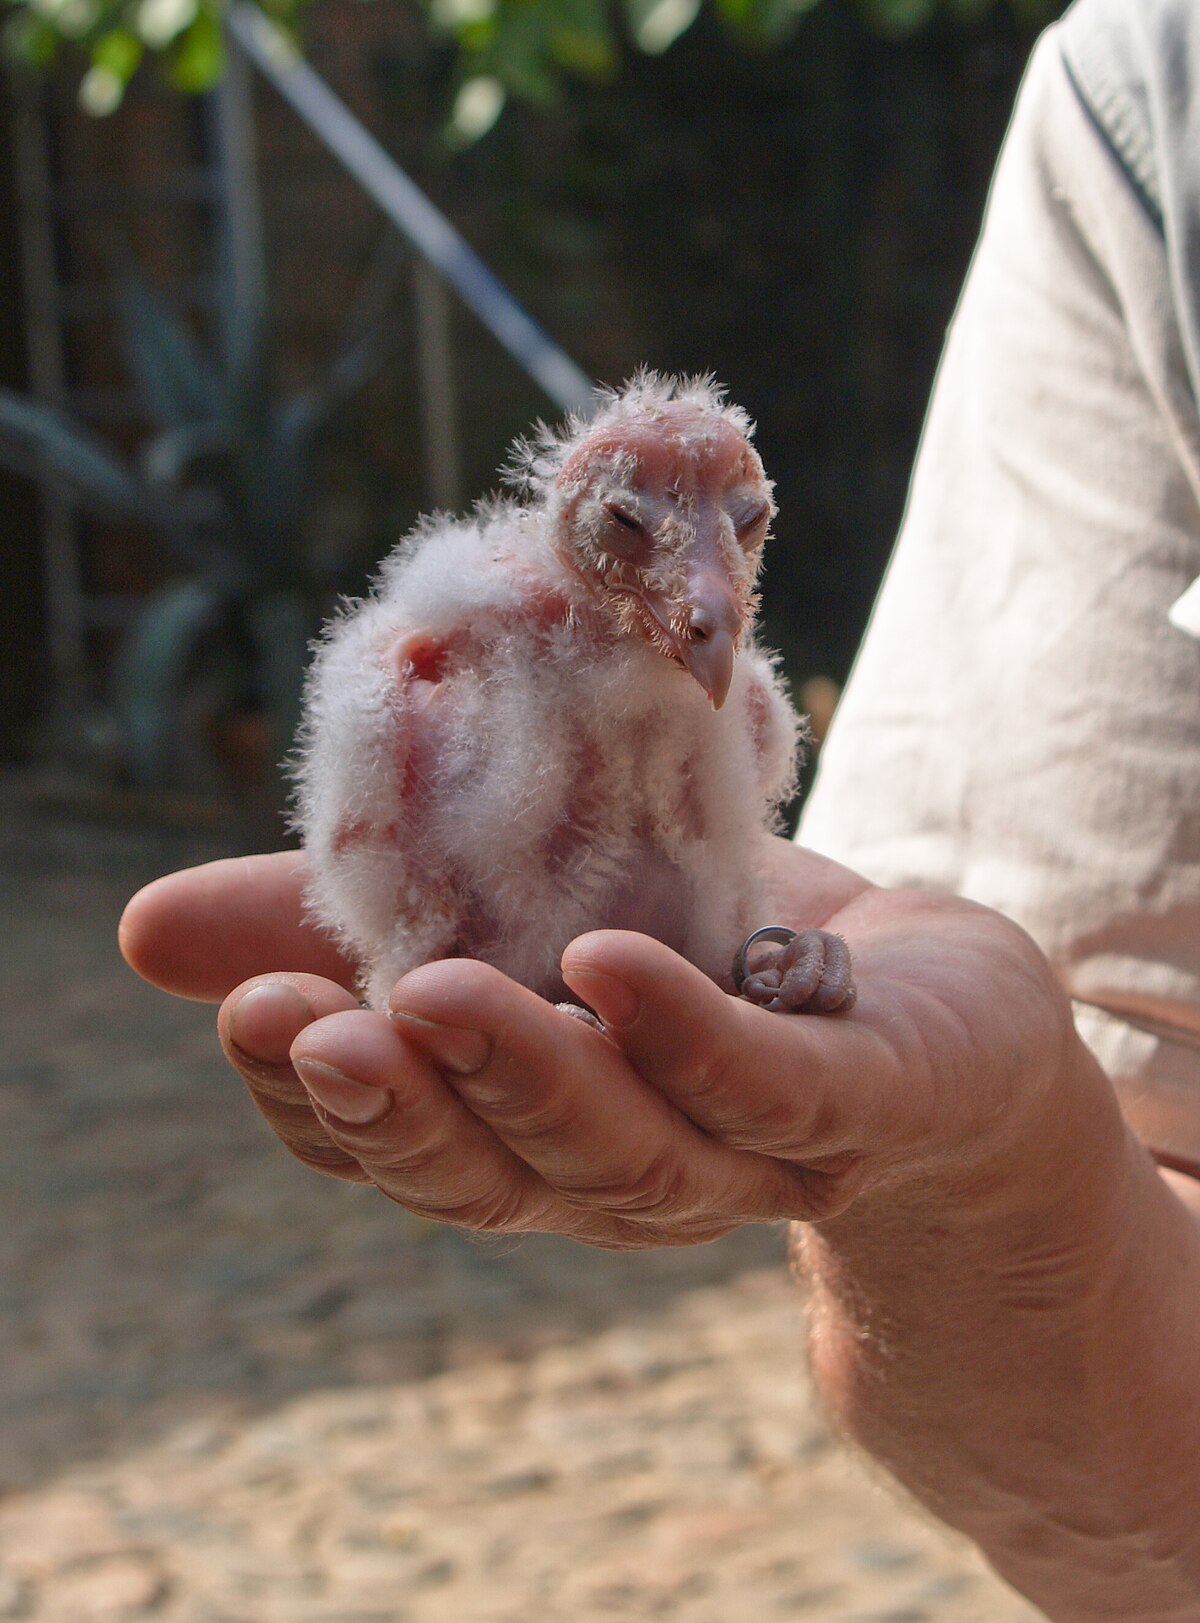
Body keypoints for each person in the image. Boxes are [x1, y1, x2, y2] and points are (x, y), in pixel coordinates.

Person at [119, 0, 1200, 1614]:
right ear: (574, 527)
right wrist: (997, 1179)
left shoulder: (726, 702)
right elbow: (1135, 1497)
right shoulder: (1158, 98)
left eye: (743, 534)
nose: (708, 600)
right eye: (640, 536)